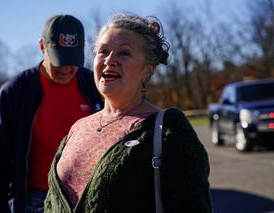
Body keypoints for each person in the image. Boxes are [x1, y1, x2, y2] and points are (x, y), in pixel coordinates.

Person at [44, 12, 212, 213]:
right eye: (103, 52)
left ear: (147, 71)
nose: (109, 60)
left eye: (124, 53)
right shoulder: (78, 127)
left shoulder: (168, 130)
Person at [0, 14, 103, 213]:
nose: (65, 69)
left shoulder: (94, 87)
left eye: (72, 60)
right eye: (59, 60)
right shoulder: (14, 93)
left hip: (89, 197)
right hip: (35, 201)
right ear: (42, 46)